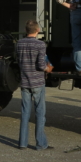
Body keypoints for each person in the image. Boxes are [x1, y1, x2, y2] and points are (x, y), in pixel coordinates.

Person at [16, 19, 54, 151]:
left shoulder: (19, 43)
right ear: (37, 30)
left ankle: (22, 143)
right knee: (40, 113)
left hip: (24, 82)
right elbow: (41, 65)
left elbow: (18, 61)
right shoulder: (40, 44)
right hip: (37, 82)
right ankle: (40, 144)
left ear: (26, 30)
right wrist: (48, 69)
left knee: (25, 112)